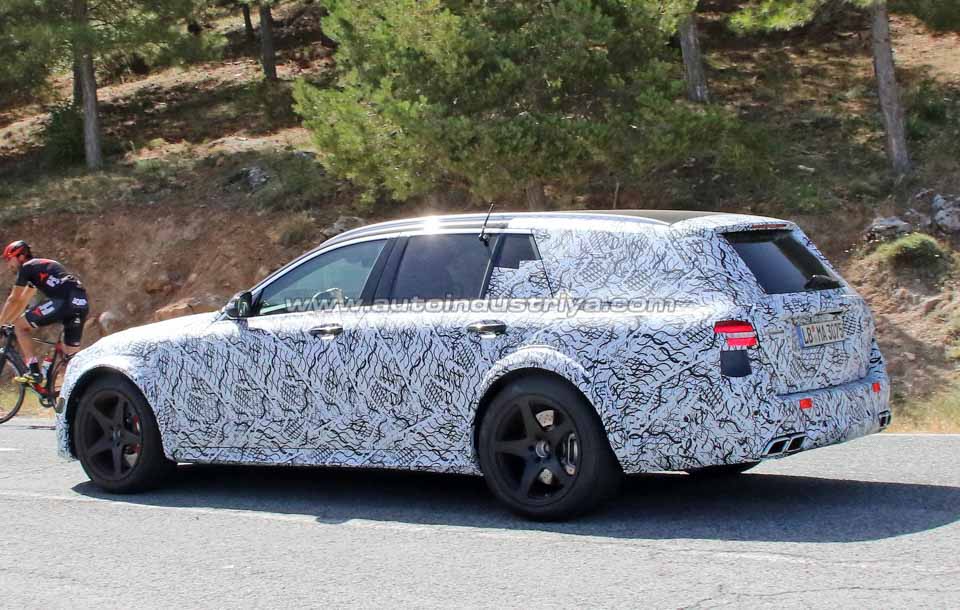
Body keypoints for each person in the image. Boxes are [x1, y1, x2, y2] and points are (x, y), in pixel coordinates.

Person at [0, 240, 89, 386]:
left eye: (9, 259)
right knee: (71, 359)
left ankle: (33, 371)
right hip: (81, 302)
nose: (8, 264)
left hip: (63, 300)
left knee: (20, 327)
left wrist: (2, 322)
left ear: (20, 256)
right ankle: (76, 391)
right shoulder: (39, 267)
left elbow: (14, 299)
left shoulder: (27, 268)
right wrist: (8, 321)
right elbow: (22, 301)